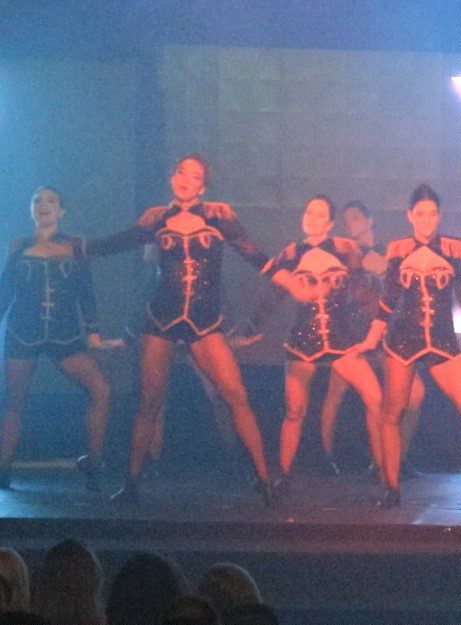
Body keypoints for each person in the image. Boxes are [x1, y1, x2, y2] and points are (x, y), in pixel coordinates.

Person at [88, 154, 313, 505]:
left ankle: (265, 480)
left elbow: (254, 255)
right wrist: (71, 248)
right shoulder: (156, 218)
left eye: (194, 176)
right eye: (181, 172)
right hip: (161, 317)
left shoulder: (218, 216)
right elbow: (116, 243)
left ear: (202, 187)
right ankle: (131, 482)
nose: (185, 180)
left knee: (235, 394)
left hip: (205, 320)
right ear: (172, 178)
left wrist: (291, 282)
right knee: (150, 400)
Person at [351, 184, 461, 508]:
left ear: (439, 215)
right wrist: (371, 338)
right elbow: (389, 299)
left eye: (432, 214)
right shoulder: (398, 249)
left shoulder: (454, 247)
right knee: (392, 413)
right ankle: (391, 488)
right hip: (403, 340)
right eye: (420, 214)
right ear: (410, 216)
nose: (426, 220)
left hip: (442, 340)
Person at [235, 196, 385, 485]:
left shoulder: (345, 248)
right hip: (303, 340)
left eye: (320, 215)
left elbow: (365, 285)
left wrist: (376, 326)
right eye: (309, 213)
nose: (312, 219)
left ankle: (384, 473)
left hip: (341, 338)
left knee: (376, 398)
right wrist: (252, 329)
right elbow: (274, 294)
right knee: (295, 410)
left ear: (330, 223)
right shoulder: (291, 253)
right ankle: (282, 477)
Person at [0, 186, 120, 492]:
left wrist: (94, 333)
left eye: (51, 201)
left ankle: (93, 462)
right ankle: (3, 468)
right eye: (37, 200)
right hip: (22, 332)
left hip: (65, 334)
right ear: (31, 209)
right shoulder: (18, 245)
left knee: (101, 389)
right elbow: (5, 291)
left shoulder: (75, 245)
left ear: (61, 210)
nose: (44, 205)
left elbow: (85, 292)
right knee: (15, 400)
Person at [318, 199, 426, 475]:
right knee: (337, 393)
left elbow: (399, 287)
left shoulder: (386, 254)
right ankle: (325, 458)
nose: (350, 225)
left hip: (384, 339)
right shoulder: (342, 256)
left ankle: (395, 458)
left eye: (355, 218)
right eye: (346, 220)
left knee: (414, 394)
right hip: (351, 337)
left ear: (369, 220)